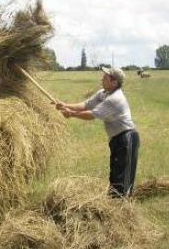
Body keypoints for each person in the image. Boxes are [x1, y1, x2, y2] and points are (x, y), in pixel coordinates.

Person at [55, 67, 140, 197]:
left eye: (105, 77)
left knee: (123, 175)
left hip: (127, 138)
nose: (102, 79)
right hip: (116, 138)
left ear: (114, 82)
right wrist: (66, 105)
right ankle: (114, 200)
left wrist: (71, 114)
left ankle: (124, 205)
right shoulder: (103, 93)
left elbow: (92, 114)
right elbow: (85, 105)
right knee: (115, 171)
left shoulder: (115, 99)